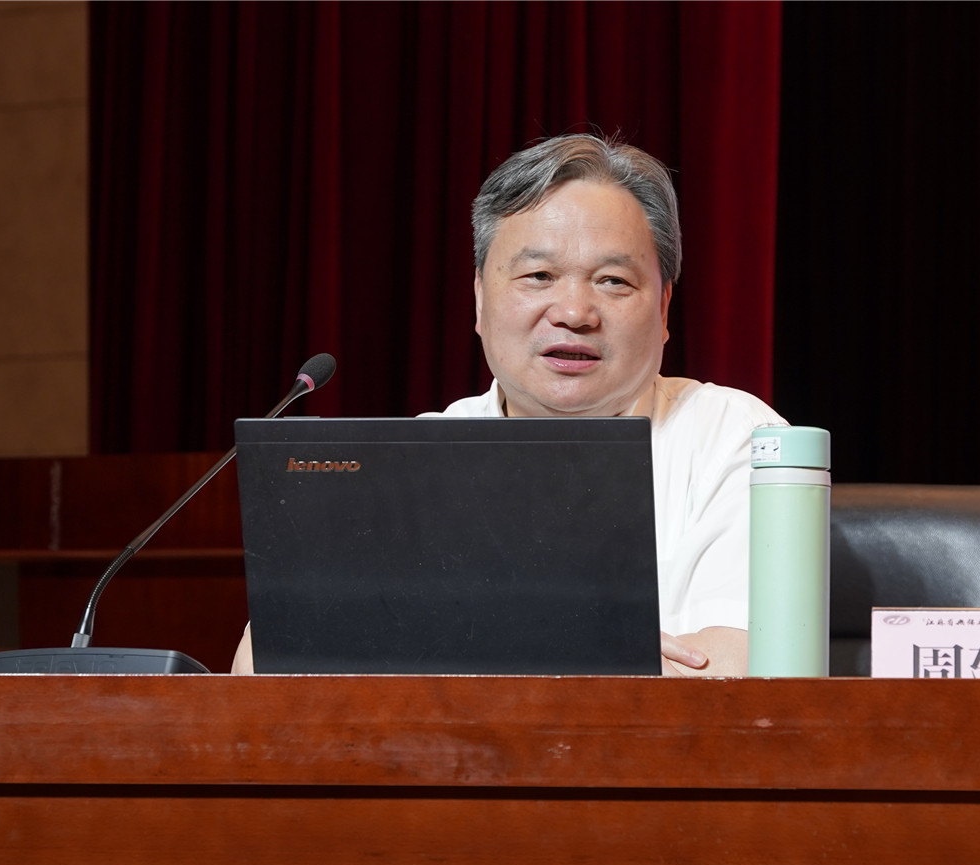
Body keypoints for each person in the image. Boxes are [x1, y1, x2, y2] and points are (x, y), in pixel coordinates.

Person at [232, 134, 785, 676]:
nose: (574, 312)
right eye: (539, 276)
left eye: (613, 280)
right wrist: (603, 654)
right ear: (479, 298)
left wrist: (446, 655)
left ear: (663, 307)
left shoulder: (739, 441)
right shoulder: (409, 458)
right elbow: (262, 666)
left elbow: (746, 671)